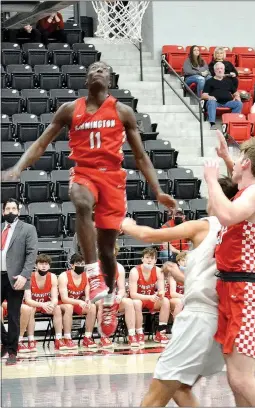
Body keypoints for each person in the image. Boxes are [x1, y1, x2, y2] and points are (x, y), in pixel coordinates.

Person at [1, 60, 177, 339]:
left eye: (103, 69)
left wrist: (157, 191)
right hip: (84, 172)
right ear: (85, 80)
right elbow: (41, 143)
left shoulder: (123, 111)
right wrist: (18, 168)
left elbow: (141, 156)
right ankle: (92, 274)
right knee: (80, 201)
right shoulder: (70, 109)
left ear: (109, 80)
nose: (98, 71)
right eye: (92, 68)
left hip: (113, 179)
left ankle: (107, 298)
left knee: (107, 249)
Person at [121, 176, 238, 407]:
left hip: (198, 318)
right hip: (221, 318)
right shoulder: (237, 228)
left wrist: (124, 223)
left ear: (213, 197)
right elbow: (213, 277)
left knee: (158, 391)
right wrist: (180, 276)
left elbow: (149, 236)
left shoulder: (205, 225)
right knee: (181, 388)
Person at [204, 132, 255, 407]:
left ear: (246, 163)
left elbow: (226, 214)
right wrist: (226, 159)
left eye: (238, 160)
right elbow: (235, 194)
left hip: (246, 290)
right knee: (236, 380)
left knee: (241, 379)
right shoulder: (250, 191)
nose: (234, 164)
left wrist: (212, 180)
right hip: (232, 286)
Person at [1, 198, 38, 365]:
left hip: (16, 278)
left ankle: (12, 352)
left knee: (14, 316)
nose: (10, 211)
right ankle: (5, 341)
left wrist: (24, 275)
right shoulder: (1, 228)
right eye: (7, 208)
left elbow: (32, 254)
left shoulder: (28, 229)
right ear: (3, 212)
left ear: (18, 211)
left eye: (13, 208)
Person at [96, 243, 141, 348]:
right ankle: (104, 337)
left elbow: (121, 289)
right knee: (103, 303)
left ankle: (132, 335)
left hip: (113, 297)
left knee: (129, 302)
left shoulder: (119, 267)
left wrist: (119, 296)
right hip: (98, 298)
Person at [24, 254, 66, 351]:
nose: (43, 266)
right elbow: (28, 300)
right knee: (31, 309)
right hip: (33, 304)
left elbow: (55, 298)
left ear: (49, 266)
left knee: (57, 308)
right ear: (36, 265)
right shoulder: (29, 277)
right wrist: (42, 304)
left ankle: (58, 339)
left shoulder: (53, 277)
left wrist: (52, 304)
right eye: (41, 263)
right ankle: (31, 340)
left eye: (46, 264)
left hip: (46, 305)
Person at [129, 248, 170, 345]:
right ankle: (139, 333)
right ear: (142, 259)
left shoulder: (159, 271)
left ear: (155, 261)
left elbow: (161, 290)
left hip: (151, 298)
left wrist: (160, 293)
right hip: (138, 298)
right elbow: (133, 294)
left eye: (152, 258)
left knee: (165, 301)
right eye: (147, 257)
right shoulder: (134, 271)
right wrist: (149, 297)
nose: (149, 260)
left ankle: (161, 332)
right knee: (137, 303)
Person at [58, 253, 97, 349]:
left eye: (82, 263)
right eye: (78, 263)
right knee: (69, 307)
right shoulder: (63, 276)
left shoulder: (86, 276)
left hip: (77, 302)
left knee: (92, 307)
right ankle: (67, 338)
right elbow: (64, 298)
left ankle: (87, 337)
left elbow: (87, 289)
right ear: (72, 265)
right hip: (63, 303)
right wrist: (79, 302)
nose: (81, 266)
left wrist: (87, 299)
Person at [202, 62, 242, 130]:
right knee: (211, 102)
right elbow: (203, 95)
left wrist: (237, 97)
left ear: (224, 70)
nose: (220, 70)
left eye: (221, 69)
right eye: (217, 69)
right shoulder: (209, 81)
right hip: (215, 102)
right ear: (214, 71)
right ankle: (212, 124)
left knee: (239, 103)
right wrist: (209, 97)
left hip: (227, 102)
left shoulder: (228, 81)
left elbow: (235, 92)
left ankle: (230, 122)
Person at [163, 252, 185, 318]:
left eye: (187, 260)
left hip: (182, 297)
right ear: (178, 262)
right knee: (179, 302)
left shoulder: (190, 274)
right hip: (169, 298)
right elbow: (173, 294)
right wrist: (185, 296)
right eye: (183, 260)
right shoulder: (173, 273)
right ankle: (176, 325)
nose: (185, 262)